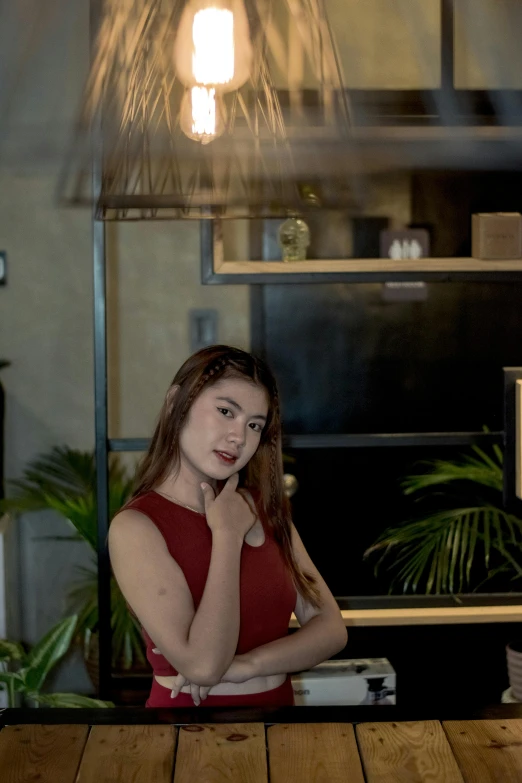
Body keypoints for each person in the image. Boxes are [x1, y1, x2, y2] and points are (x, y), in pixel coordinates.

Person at [109, 344, 347, 708]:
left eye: (254, 425)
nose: (240, 437)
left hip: (280, 728)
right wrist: (226, 535)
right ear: (177, 403)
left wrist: (247, 665)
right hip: (189, 734)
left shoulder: (266, 509)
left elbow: (330, 628)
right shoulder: (136, 527)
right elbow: (203, 665)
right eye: (225, 411)